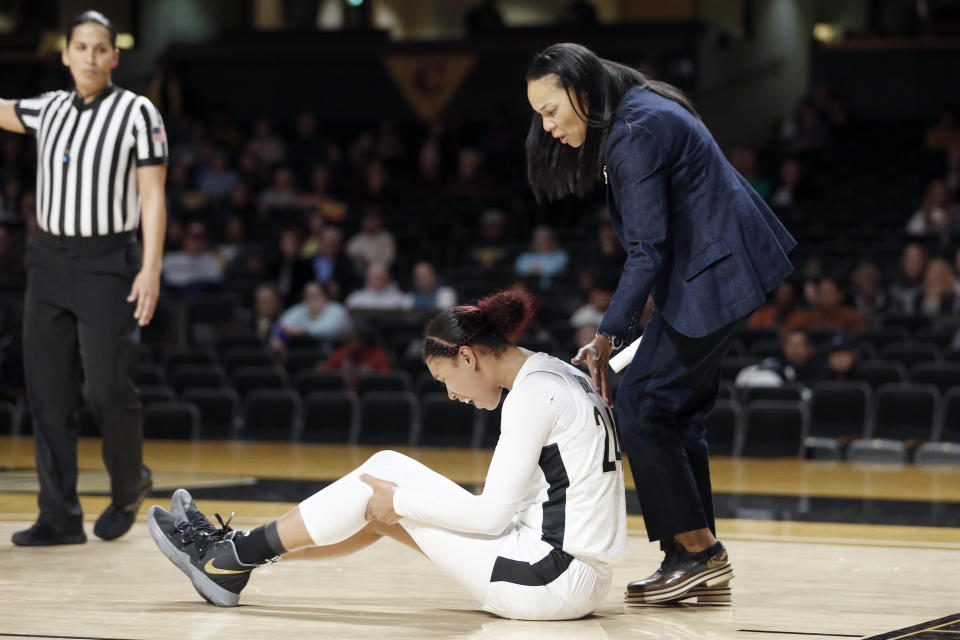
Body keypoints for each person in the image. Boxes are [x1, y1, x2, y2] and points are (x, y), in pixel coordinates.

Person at [147, 290, 627, 619]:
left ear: (467, 357)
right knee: (378, 503)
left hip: (548, 580)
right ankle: (235, 560)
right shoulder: (559, 373)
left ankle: (228, 557)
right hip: (573, 574)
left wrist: (401, 501)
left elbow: (487, 518)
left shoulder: (530, 396)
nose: (453, 396)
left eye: (445, 382)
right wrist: (394, 506)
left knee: (383, 479)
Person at [524, 43, 795, 604]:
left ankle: (697, 552)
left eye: (550, 110)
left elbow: (647, 251)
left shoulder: (634, 132)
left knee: (644, 404)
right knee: (674, 414)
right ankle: (693, 554)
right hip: (718, 268)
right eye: (539, 115)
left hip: (715, 273)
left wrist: (605, 338)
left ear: (582, 90)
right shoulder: (637, 108)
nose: (546, 125)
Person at [0, 10, 167, 545]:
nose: (91, 57)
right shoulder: (48, 108)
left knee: (106, 388)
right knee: (46, 392)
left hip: (107, 264)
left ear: (114, 57)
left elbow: (152, 196)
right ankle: (59, 515)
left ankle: (128, 484)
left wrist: (151, 268)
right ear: (66, 53)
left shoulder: (138, 111)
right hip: (48, 262)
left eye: (102, 48)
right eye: (82, 47)